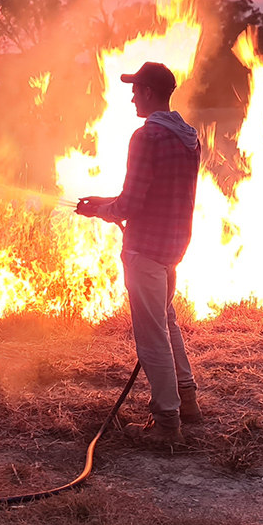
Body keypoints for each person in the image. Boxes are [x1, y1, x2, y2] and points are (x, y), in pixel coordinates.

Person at [75, 61, 202, 445]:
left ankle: (167, 425)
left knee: (151, 338)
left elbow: (130, 205)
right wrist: (104, 202)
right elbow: (150, 196)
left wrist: (101, 210)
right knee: (168, 323)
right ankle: (188, 401)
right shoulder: (188, 137)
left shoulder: (145, 137)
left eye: (135, 90)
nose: (131, 97)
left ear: (149, 93)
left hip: (144, 251)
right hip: (173, 248)